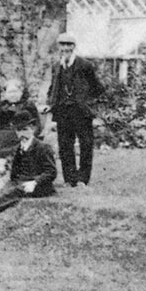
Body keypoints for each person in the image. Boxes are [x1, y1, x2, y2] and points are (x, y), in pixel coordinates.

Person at [0, 114, 59, 223]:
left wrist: (35, 182)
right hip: (21, 181)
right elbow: (15, 171)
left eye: (25, 130)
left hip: (39, 186)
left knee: (16, 191)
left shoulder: (43, 147)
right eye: (18, 131)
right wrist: (10, 181)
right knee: (5, 188)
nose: (21, 134)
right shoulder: (19, 148)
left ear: (32, 129)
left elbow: (51, 172)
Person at [44, 31, 104, 186]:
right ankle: (69, 179)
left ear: (73, 46)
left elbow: (97, 88)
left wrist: (87, 102)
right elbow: (53, 87)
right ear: (58, 47)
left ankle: (83, 179)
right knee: (65, 146)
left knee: (85, 145)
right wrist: (50, 103)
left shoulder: (85, 65)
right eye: (62, 45)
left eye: (68, 45)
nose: (65, 48)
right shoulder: (57, 66)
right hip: (63, 111)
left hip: (81, 112)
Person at [0, 78, 41, 151]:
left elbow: (37, 125)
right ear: (5, 94)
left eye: (15, 91)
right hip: (0, 140)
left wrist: (30, 138)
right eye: (10, 92)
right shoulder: (0, 106)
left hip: (20, 138)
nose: (12, 95)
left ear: (21, 92)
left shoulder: (28, 105)